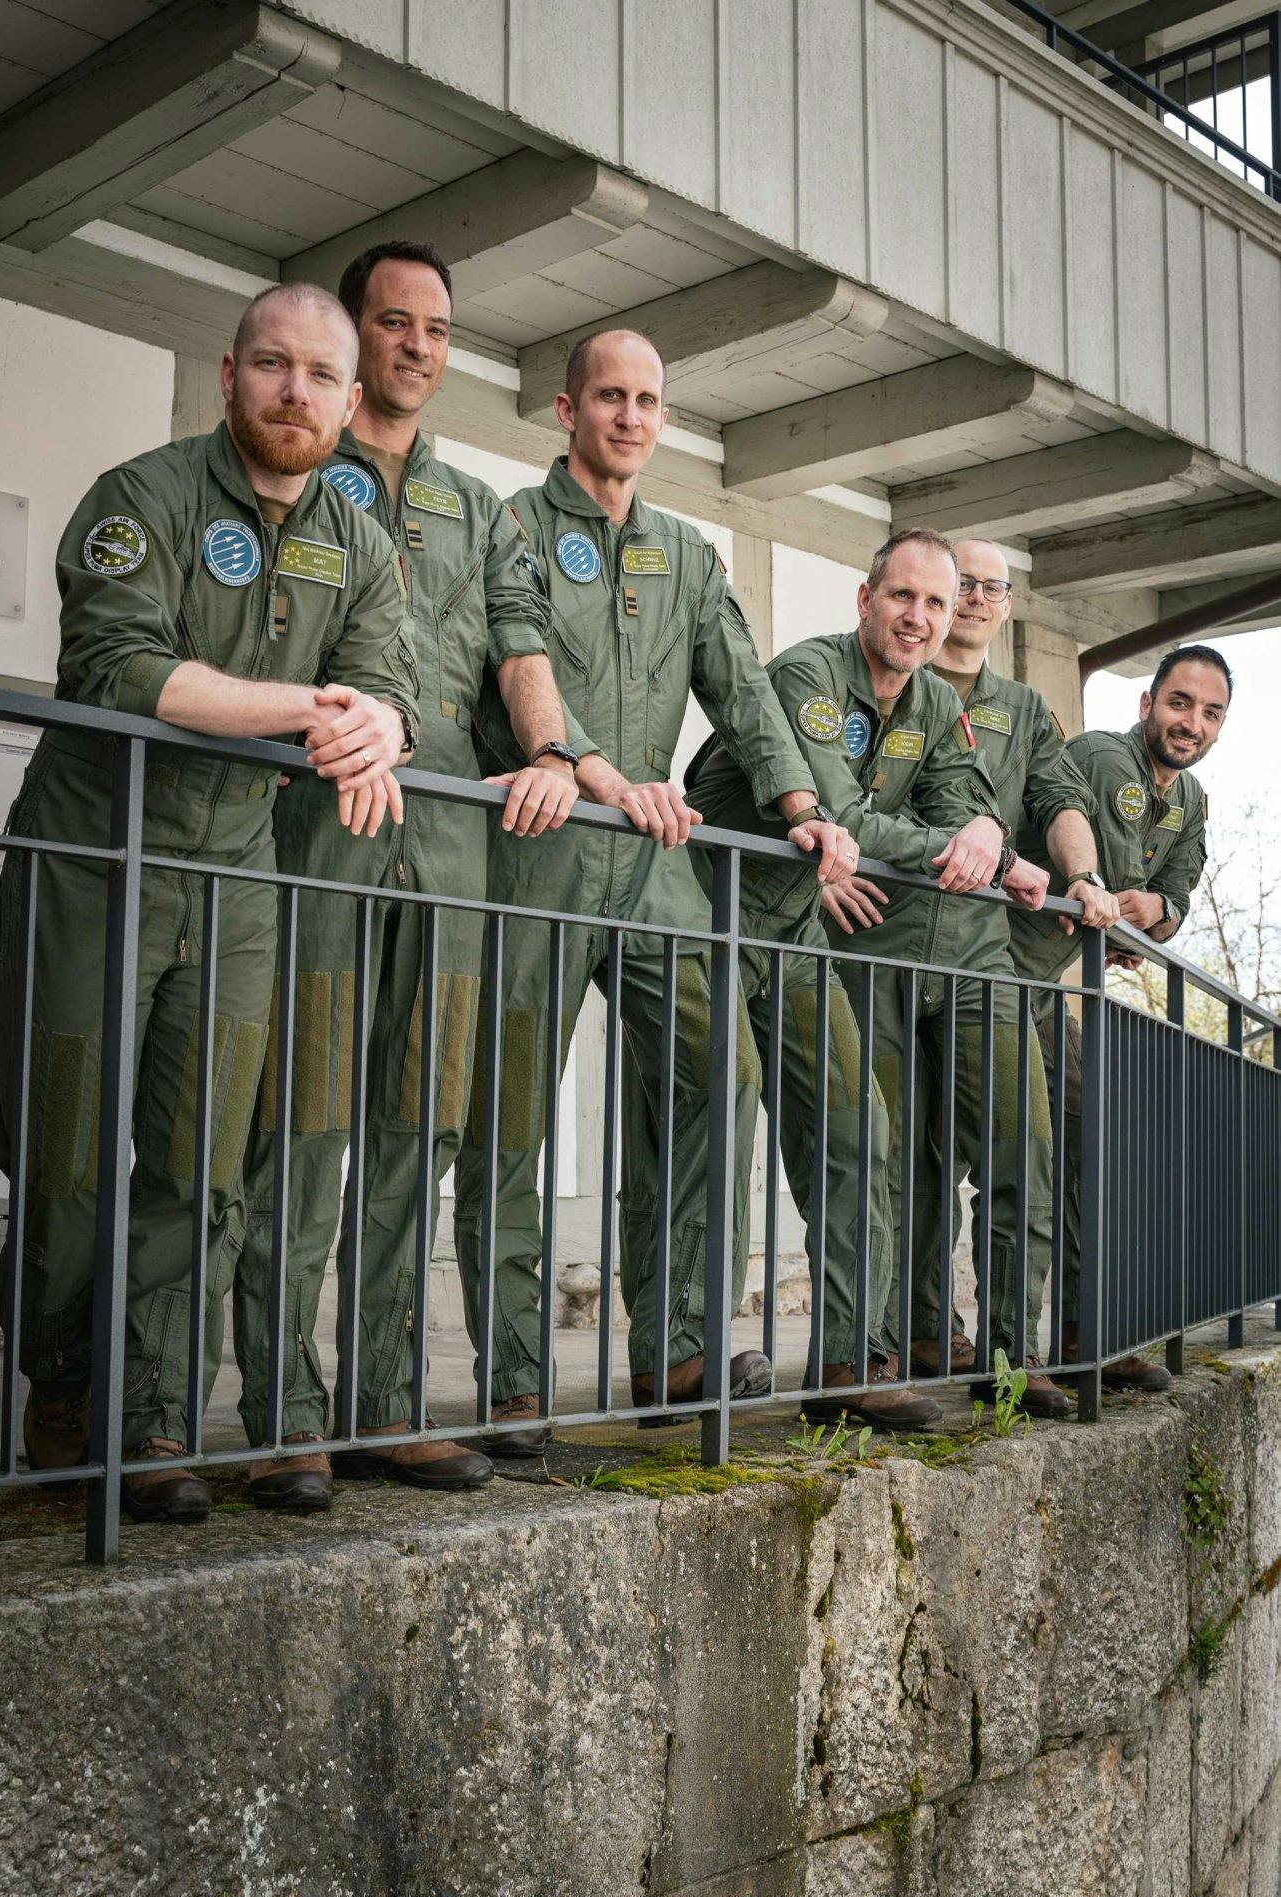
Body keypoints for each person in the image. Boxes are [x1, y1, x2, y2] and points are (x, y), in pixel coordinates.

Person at [0, 283, 419, 1523]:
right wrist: (311, 709)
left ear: (350, 399)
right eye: (272, 367)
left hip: (237, 884)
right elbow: (118, 669)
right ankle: (62, 1385)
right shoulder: (145, 496)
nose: (296, 393)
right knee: (68, 1152)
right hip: (97, 865)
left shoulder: (360, 534)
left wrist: (376, 720)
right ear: (230, 376)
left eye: (320, 375)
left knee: (200, 1166)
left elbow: (380, 677)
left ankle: (158, 1417)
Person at [452, 328, 855, 1451]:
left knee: (714, 1070)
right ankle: (515, 1377)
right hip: (538, 848)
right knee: (511, 1117)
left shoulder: (687, 550)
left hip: (653, 867)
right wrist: (590, 767)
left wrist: (801, 809)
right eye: (609, 397)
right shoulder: (514, 528)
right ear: (566, 410)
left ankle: (678, 1342)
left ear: (662, 419)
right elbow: (515, 657)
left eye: (647, 400)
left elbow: (745, 694)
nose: (630, 416)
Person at [232, 242, 583, 1510]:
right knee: (305, 1126)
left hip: (445, 853)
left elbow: (520, 642)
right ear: (356, 336)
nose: (418, 347)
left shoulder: (478, 509)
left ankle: (386, 1402)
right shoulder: (291, 475)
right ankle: (282, 1416)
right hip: (318, 841)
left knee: (413, 1133)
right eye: (396, 323)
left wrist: (551, 750)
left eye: (437, 329)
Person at [684, 529, 1018, 1428]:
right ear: (865, 599)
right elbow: (838, 810)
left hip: (795, 933)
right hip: (702, 919)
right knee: (708, 1125)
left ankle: (849, 1368)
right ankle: (678, 1353)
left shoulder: (936, 701)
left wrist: (986, 832)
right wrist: (959, 843)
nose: (918, 618)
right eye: (902, 597)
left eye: (936, 605)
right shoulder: (808, 677)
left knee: (857, 1130)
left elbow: (963, 803)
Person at [896, 540, 1121, 1415]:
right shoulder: (892, 680)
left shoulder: (1022, 707)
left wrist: (1086, 878)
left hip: (984, 952)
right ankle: (909, 1333)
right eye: (967, 585)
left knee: (1019, 1149)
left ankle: (1006, 1356)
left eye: (995, 587)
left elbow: (1062, 798)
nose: (978, 600)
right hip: (879, 943)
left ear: (1009, 602)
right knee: (902, 1160)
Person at [1009, 643, 1228, 1391]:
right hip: (1001, 968)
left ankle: (1085, 1334)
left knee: (1087, 1142)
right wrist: (1140, 909)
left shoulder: (1191, 799)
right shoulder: (1106, 758)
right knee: (1026, 1155)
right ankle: (1009, 1355)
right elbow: (1114, 890)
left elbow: (1173, 898)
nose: (1190, 723)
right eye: (1178, 703)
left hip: (1056, 985)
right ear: (1147, 706)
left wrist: (1158, 909)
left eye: (1209, 712)